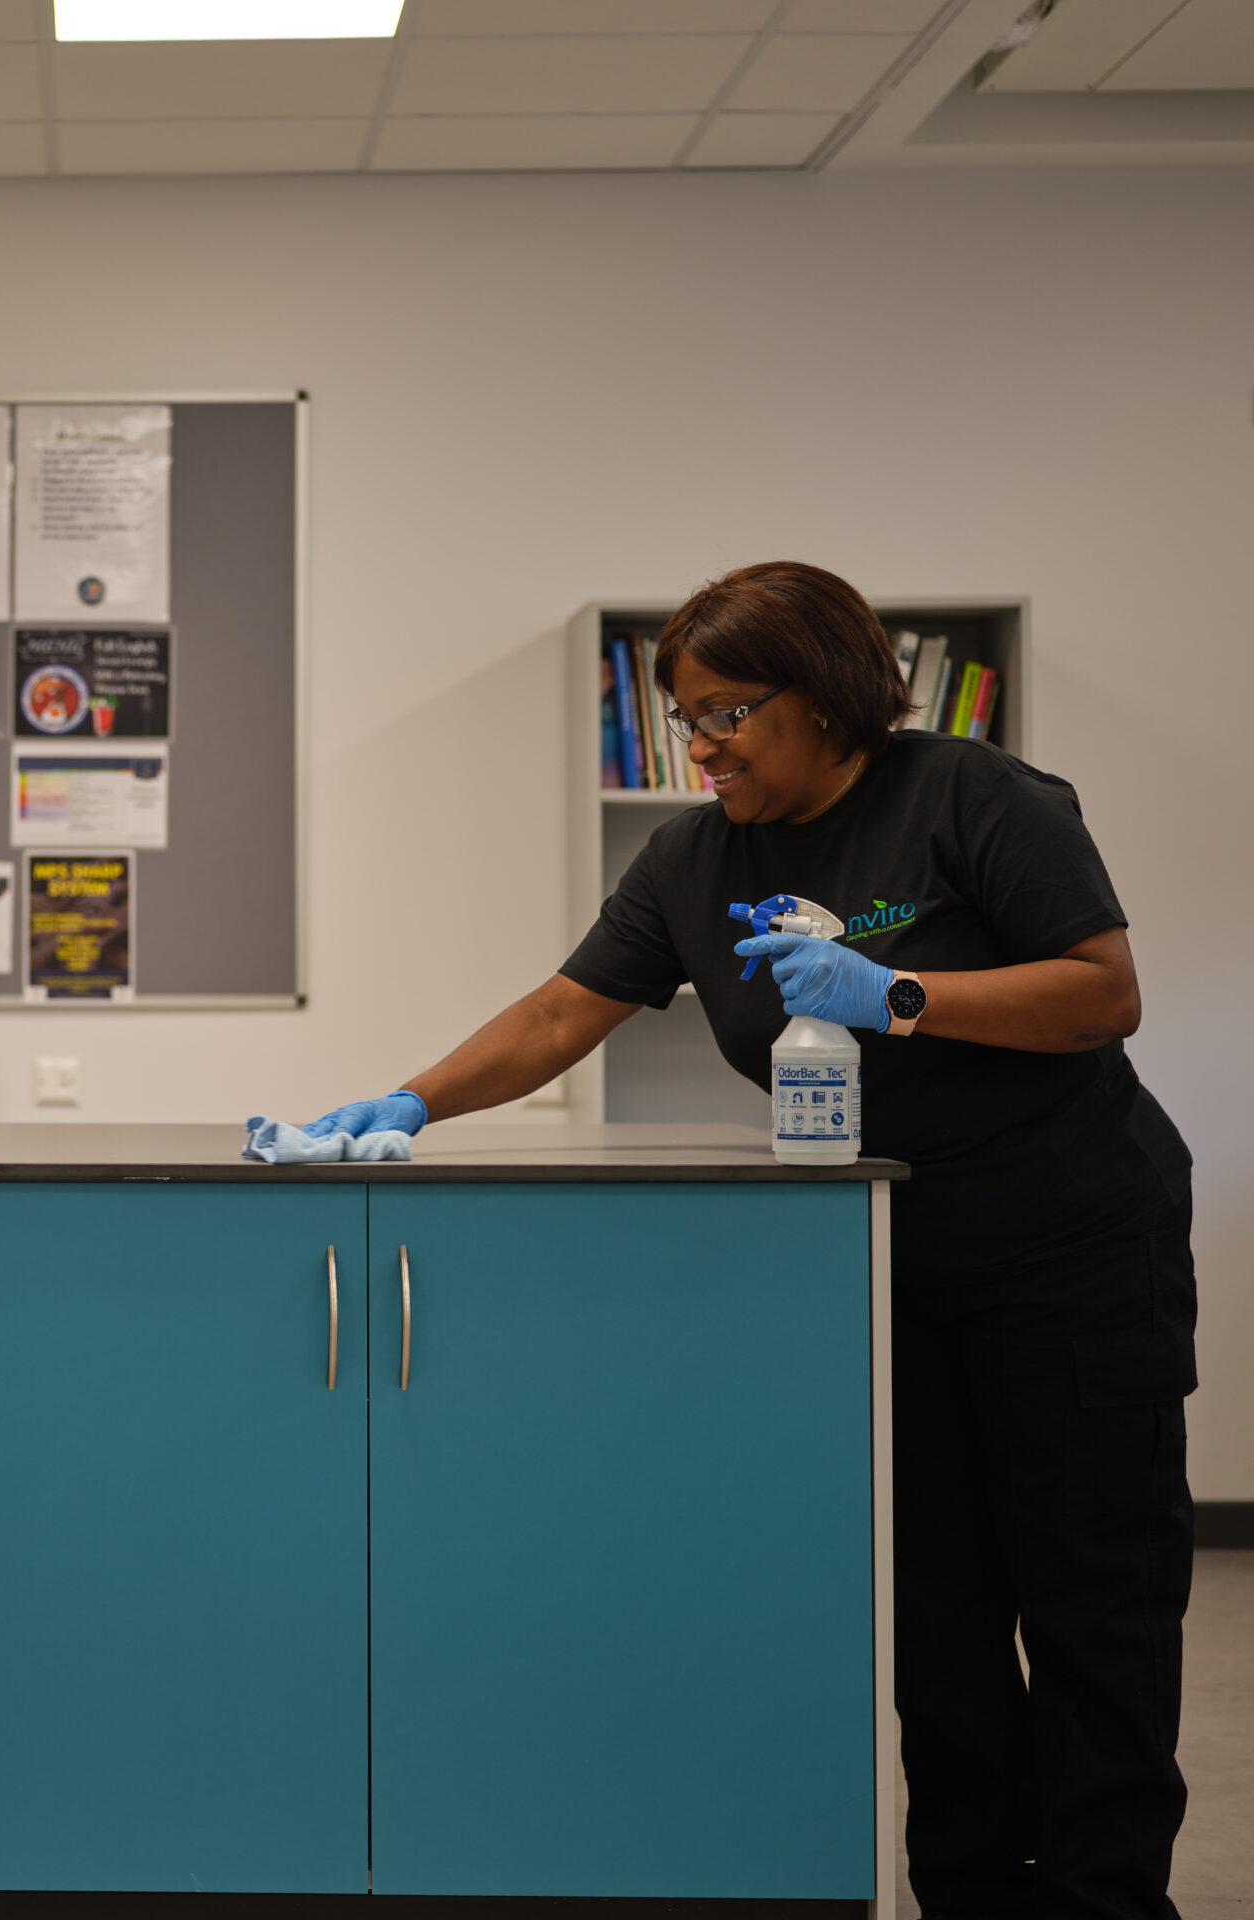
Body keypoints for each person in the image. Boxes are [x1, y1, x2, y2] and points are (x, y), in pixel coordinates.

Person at [307, 561, 1195, 1920]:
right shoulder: (691, 856)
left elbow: (1101, 993)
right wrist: (407, 1103)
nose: (704, 744)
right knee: (936, 1621)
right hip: (884, 1272)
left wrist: (893, 989)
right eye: (687, 717)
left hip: (1071, 1253)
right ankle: (968, 1895)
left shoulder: (973, 796)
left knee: (1093, 1610)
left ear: (829, 697)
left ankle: (1107, 1901)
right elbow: (561, 1014)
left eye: (730, 710)